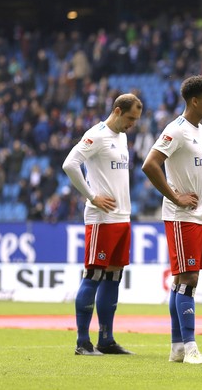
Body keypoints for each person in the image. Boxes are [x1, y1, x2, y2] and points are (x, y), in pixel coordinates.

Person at [142, 75, 202, 364]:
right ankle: (190, 349)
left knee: (182, 280)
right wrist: (175, 197)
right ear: (194, 101)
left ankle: (177, 348)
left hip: (200, 215)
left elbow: (195, 171)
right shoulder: (176, 130)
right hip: (181, 216)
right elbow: (150, 165)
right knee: (188, 278)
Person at [62, 93, 143, 356]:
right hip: (102, 218)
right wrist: (91, 196)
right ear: (118, 111)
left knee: (114, 277)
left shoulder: (122, 136)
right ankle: (82, 342)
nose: (133, 123)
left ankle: (106, 340)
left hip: (122, 217)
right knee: (93, 275)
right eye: (130, 118)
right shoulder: (96, 134)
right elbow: (70, 164)